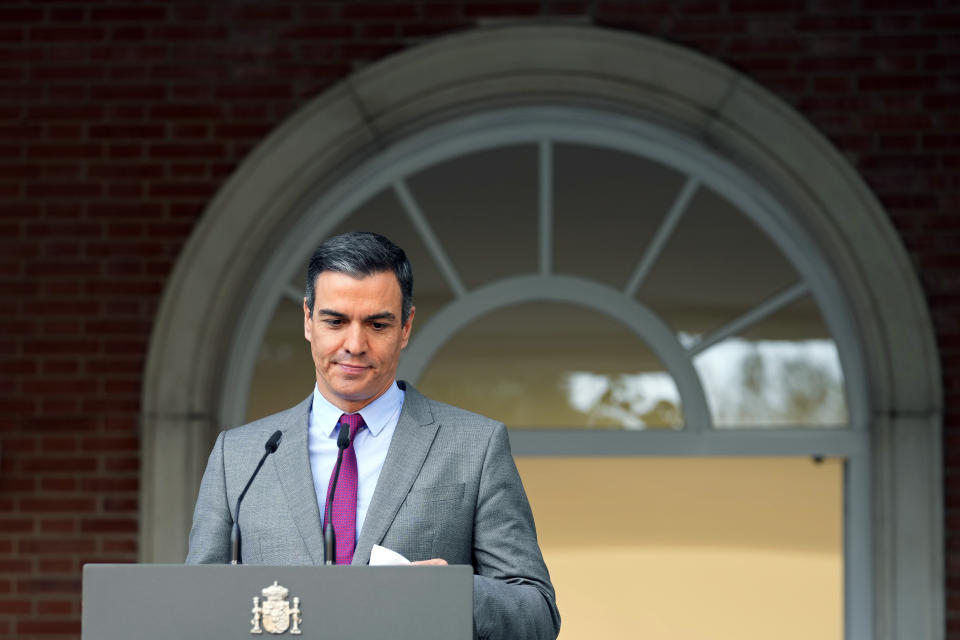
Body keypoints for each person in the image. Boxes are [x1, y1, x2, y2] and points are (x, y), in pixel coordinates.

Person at [186, 231, 560, 640]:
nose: (355, 344)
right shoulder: (239, 456)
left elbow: (537, 612)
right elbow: (196, 607)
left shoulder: (476, 446)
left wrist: (456, 594)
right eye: (335, 321)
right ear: (308, 320)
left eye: (377, 324)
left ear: (405, 327)